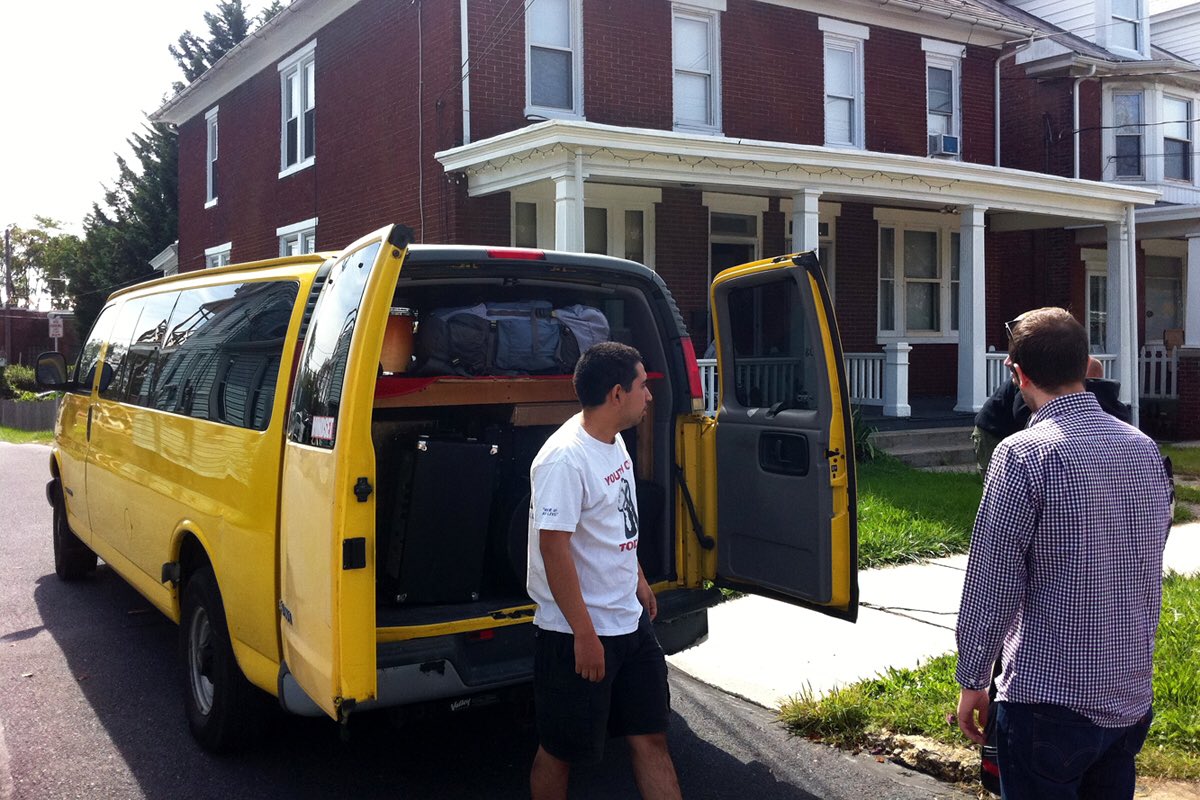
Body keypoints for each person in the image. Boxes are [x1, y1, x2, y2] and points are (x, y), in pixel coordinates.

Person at [955, 307, 1173, 800]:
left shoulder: (1022, 454)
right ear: (1086, 364)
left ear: (1018, 374)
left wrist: (973, 679)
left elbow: (992, 581)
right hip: (1130, 695)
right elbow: (1146, 562)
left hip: (1047, 704)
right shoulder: (1143, 447)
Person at [526, 341, 681, 800]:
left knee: (651, 736)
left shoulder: (614, 443)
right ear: (617, 394)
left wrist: (636, 577)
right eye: (642, 386)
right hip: (576, 633)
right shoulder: (564, 458)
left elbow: (617, 518)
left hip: (629, 624)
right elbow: (553, 548)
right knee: (560, 751)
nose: (649, 396)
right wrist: (584, 634)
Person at [972, 345, 1132, 476]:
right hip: (993, 429)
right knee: (1001, 478)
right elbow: (1021, 414)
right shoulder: (1034, 383)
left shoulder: (1088, 393)